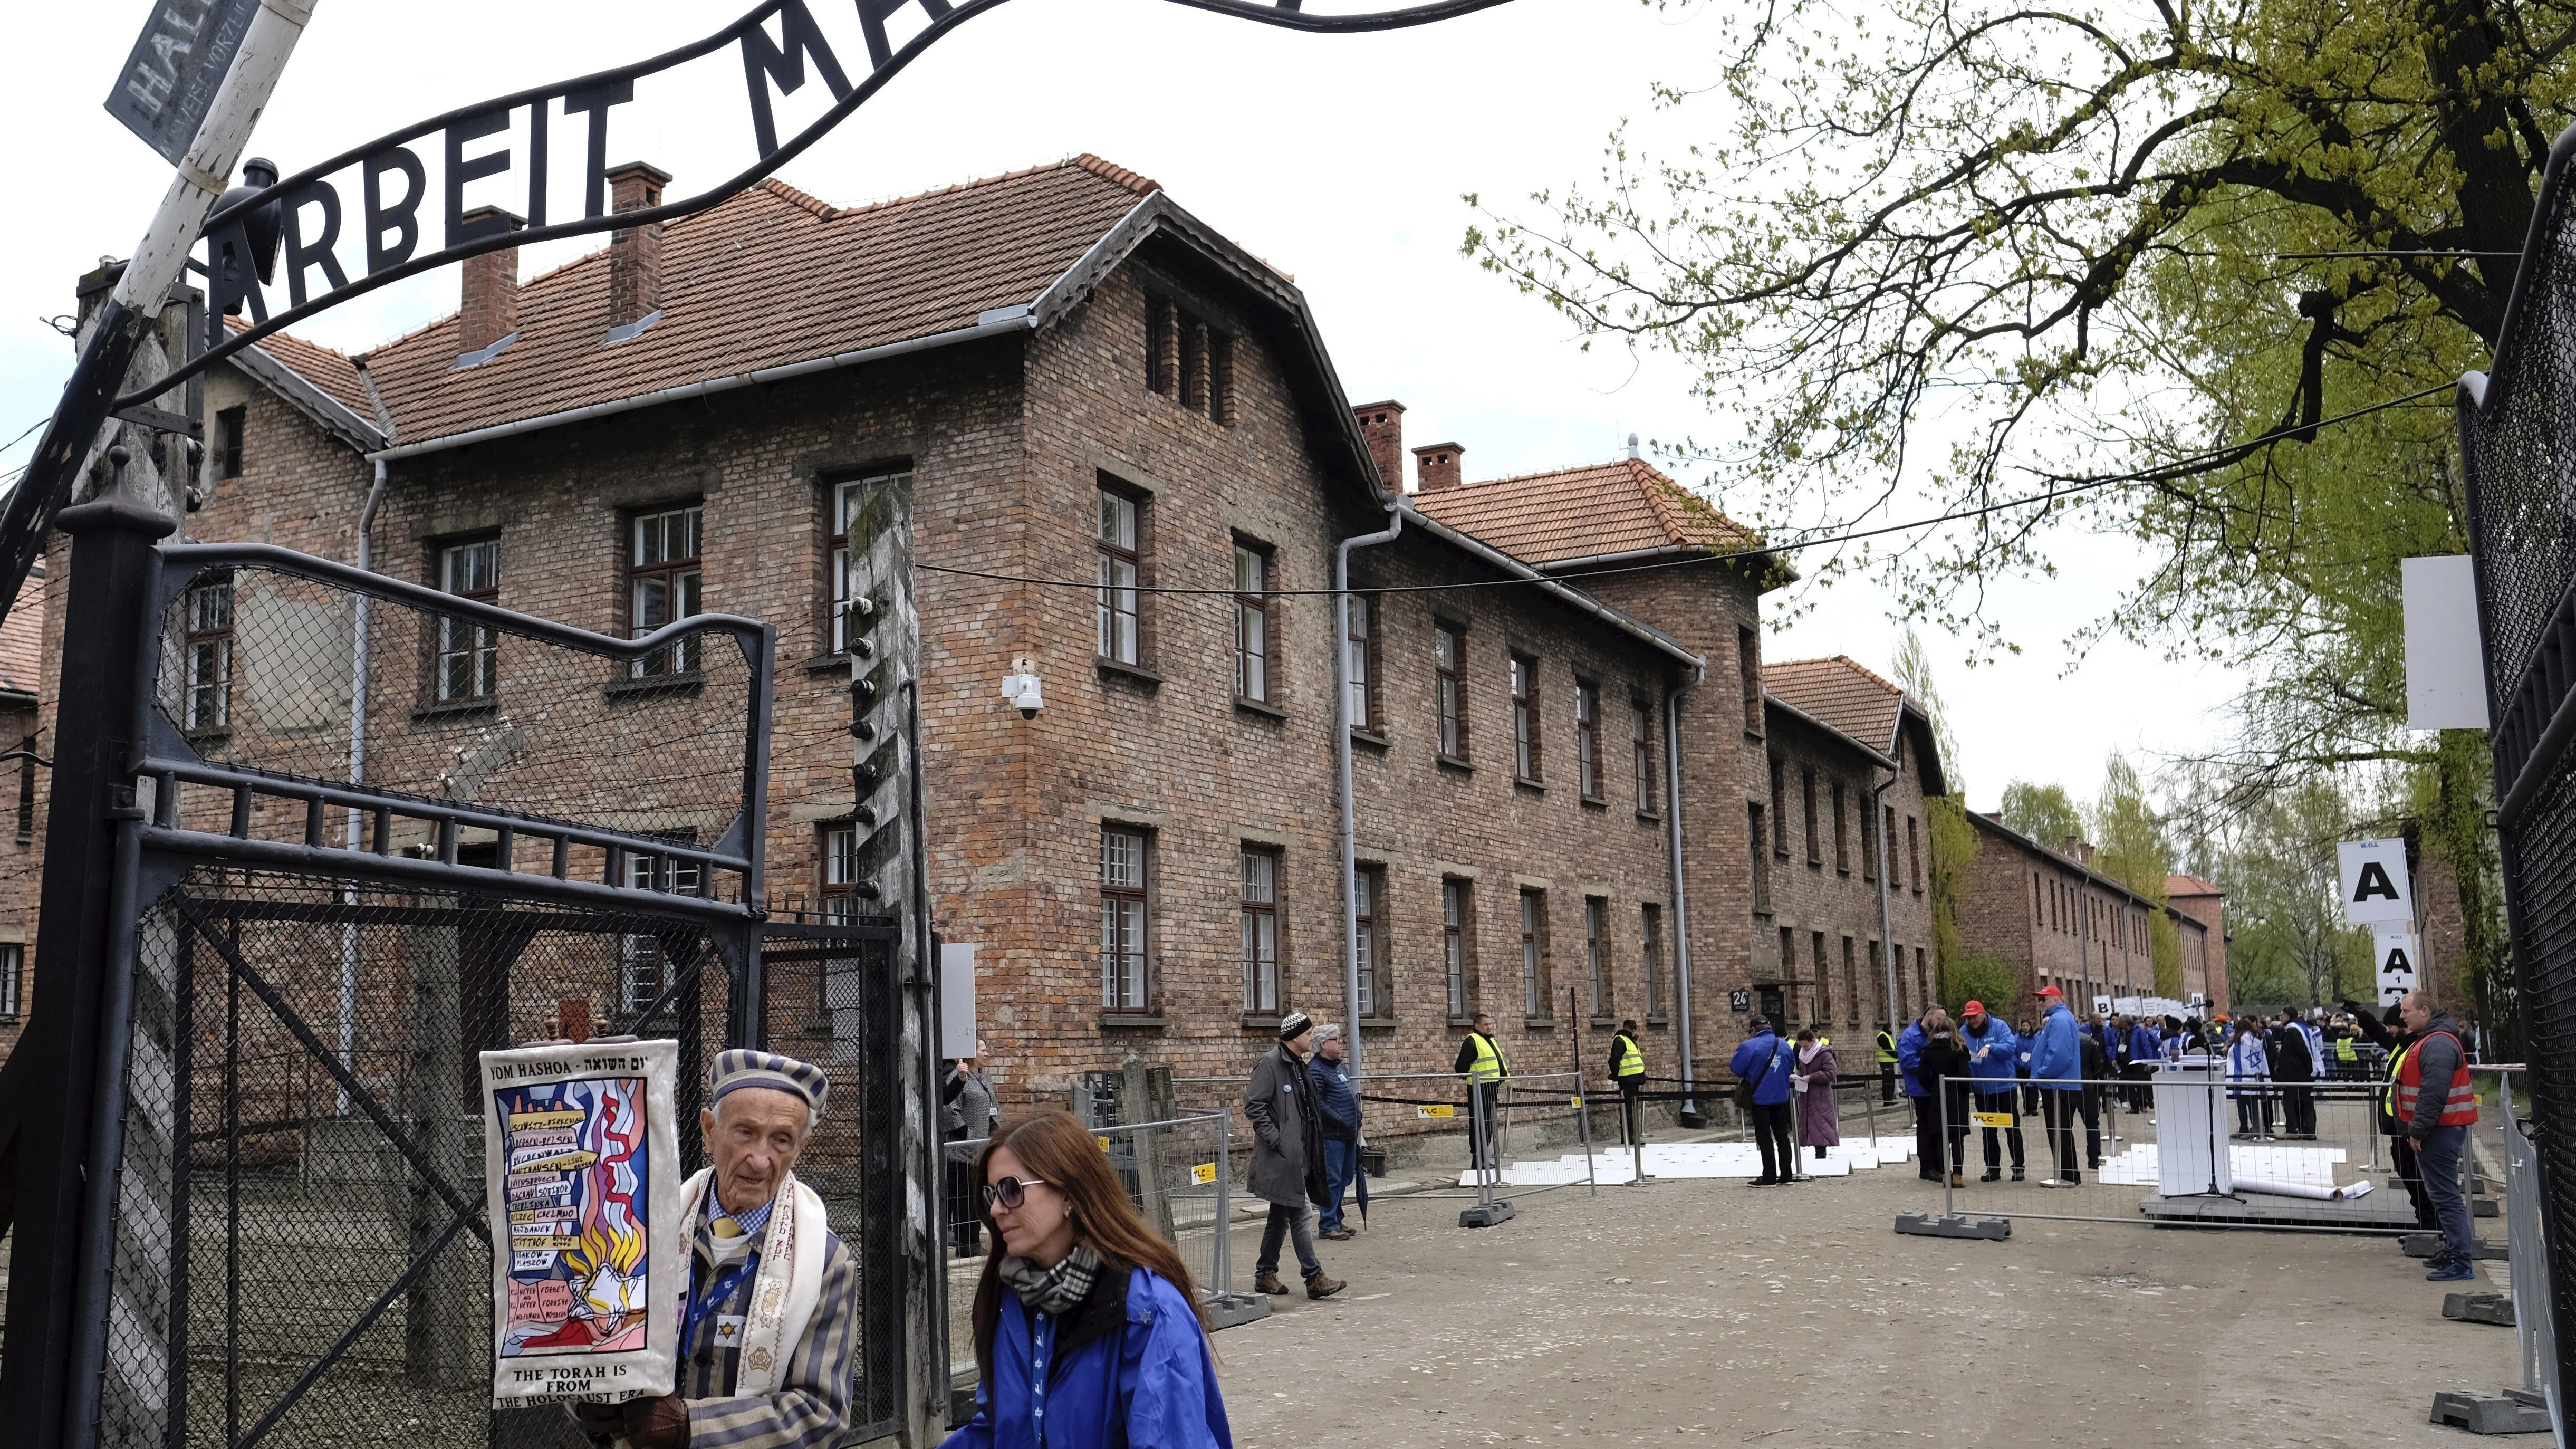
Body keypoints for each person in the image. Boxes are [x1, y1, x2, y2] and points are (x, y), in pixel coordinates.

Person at [571, 1050, 860, 1449]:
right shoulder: (637, 1233)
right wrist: (585, 1402)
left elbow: (819, 1414)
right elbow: (585, 1345)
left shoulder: (827, 1264)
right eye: (745, 1132)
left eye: (782, 1139)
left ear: (800, 1148)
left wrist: (694, 1428)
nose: (760, 1160)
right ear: (710, 1129)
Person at [942, 1109, 1231, 1449]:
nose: (995, 1209)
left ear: (1068, 1194)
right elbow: (997, 1431)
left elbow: (1169, 1438)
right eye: (992, 1194)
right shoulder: (1010, 1299)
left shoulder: (1148, 1311)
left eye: (1010, 1190)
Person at [1244, 1013, 1344, 1300]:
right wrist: (1278, 1141)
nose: (1312, 1038)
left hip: (1299, 1155)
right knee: (1301, 1214)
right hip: (1282, 1157)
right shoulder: (1271, 1064)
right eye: (1309, 1033)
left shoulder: (1299, 1066)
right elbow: (1255, 1107)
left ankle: (1265, 1274)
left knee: (1280, 1217)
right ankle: (1314, 1278)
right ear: (1295, 1036)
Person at [2398, 990, 2480, 1281]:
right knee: (2442, 1194)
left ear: (2425, 1012)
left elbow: (2433, 1094)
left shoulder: (2438, 1044)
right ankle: (2454, 1251)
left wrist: (2417, 1130)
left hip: (2439, 1130)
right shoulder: (2435, 1041)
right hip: (2440, 1128)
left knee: (2445, 1196)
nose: (2402, 1016)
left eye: (2406, 1011)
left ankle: (2460, 1260)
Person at [943, 1042, 1001, 1257]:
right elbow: (949, 1110)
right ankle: (966, 1246)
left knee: (976, 1199)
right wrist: (967, 1134)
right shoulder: (958, 1078)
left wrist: (996, 1131)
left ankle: (975, 1243)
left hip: (980, 1151)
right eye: (982, 1049)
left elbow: (994, 1107)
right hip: (962, 1152)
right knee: (963, 1200)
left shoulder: (984, 1078)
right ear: (970, 1053)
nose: (987, 1053)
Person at [1958, 1001, 2024, 1182]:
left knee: (2012, 1128)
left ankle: (2018, 1167)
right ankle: (1992, 1168)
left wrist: (1991, 1047)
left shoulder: (2000, 1026)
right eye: (1969, 1017)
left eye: (1975, 1016)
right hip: (1981, 1089)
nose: (1972, 1020)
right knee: (1988, 1131)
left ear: (1984, 1014)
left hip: (2004, 1087)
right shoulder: (1963, 1033)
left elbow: (2010, 1048)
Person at [1728, 1014, 1797, 1186]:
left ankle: (1769, 1177)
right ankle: (1787, 1175)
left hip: (1760, 1099)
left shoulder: (1750, 1046)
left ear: (1753, 1030)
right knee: (1782, 1136)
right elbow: (1790, 1067)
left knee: (1764, 1137)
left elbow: (1736, 1068)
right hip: (1782, 1097)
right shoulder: (1785, 1045)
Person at [1308, 1025, 1363, 1241]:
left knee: (1345, 1177)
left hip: (1348, 1133)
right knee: (1332, 1179)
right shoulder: (1316, 1070)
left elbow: (1349, 1094)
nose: (1340, 1043)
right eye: (1336, 1039)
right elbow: (1318, 1103)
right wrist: (1340, 1119)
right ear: (1323, 1044)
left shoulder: (1340, 1067)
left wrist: (1356, 1117)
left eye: (1340, 1039)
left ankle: (1337, 1220)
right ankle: (1328, 1224)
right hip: (1331, 1135)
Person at [2026, 986, 2084, 1187]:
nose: (2040, 1003)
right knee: (2060, 1130)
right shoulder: (2060, 1019)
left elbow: (2059, 1054)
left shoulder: (2059, 1021)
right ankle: (2068, 1173)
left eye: (2044, 999)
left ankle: (2067, 1175)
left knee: (2059, 1130)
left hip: (2057, 1085)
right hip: (2058, 1083)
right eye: (2040, 1000)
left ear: (2056, 1000)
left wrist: (2042, 1072)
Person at [1916, 1009, 1973, 1189]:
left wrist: (1933, 1088)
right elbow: (1965, 1076)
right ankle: (1957, 1174)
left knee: (1941, 1137)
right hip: (1957, 1098)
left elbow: (1922, 1076)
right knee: (1957, 1137)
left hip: (1937, 1098)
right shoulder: (1960, 1049)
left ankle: (1944, 1174)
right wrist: (1966, 1090)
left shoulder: (1928, 1050)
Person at [1452, 1011, 1510, 1169]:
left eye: (1491, 1024)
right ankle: (1478, 1160)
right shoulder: (1473, 1041)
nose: (1489, 1027)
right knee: (1479, 1124)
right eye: (1486, 1025)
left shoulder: (1489, 1039)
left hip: (1491, 1086)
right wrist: (1474, 1080)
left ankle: (1483, 1157)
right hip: (1479, 1088)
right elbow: (1461, 1067)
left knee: (1489, 1124)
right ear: (1477, 1026)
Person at [1897, 1011, 1938, 1182]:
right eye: (1939, 1019)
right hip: (1921, 1089)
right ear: (1929, 1016)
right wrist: (1932, 1065)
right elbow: (1907, 1062)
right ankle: (1927, 1167)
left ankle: (1938, 1165)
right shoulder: (1910, 1036)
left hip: (1935, 1088)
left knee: (1937, 1128)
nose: (1941, 1023)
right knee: (1925, 1127)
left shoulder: (1936, 1033)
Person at [1792, 1025, 1840, 1161]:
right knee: (1812, 1124)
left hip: (1821, 1095)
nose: (1804, 1049)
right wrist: (1797, 1075)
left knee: (1821, 1124)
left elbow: (1831, 1073)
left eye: (1806, 1046)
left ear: (1813, 1041)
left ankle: (1821, 1155)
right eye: (1802, 1047)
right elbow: (1802, 1070)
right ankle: (1817, 1153)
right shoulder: (1803, 1055)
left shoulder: (1824, 1054)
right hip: (1807, 1094)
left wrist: (1812, 1077)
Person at [2269, 1009, 2318, 1140]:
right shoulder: (2303, 1028)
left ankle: (2293, 1129)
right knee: (2305, 1101)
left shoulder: (2293, 1031)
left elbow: (2300, 1051)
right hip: (2304, 1072)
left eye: (2281, 1016)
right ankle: (2308, 1130)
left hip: (2295, 1073)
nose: (2280, 1019)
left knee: (2289, 1101)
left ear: (2287, 1016)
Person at [2226, 1019, 2273, 1140]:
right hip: (2255, 1077)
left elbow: (2233, 1057)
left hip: (2241, 1077)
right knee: (2253, 1104)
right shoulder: (2257, 1040)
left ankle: (2245, 1128)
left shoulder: (2240, 1041)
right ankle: (2256, 1127)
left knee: (2242, 1104)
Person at [1608, 1018, 1649, 1148]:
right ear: (1626, 1028)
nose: (1633, 1030)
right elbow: (1614, 1060)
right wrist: (1616, 1075)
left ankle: (1630, 1137)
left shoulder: (1630, 1040)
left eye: (1634, 1028)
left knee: (1632, 1109)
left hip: (1634, 1079)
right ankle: (1629, 1138)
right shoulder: (1621, 1040)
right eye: (1631, 1028)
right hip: (1627, 1079)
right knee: (1628, 1110)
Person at [1874, 1021, 1900, 1105]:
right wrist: (1897, 1056)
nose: (1891, 1030)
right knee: (1888, 1081)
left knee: (1891, 1080)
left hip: (1889, 1061)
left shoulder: (1887, 1036)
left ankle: (1890, 1099)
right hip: (1885, 1061)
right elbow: (1888, 1049)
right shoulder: (1882, 1036)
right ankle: (1887, 1101)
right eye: (1890, 1028)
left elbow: (1893, 1048)